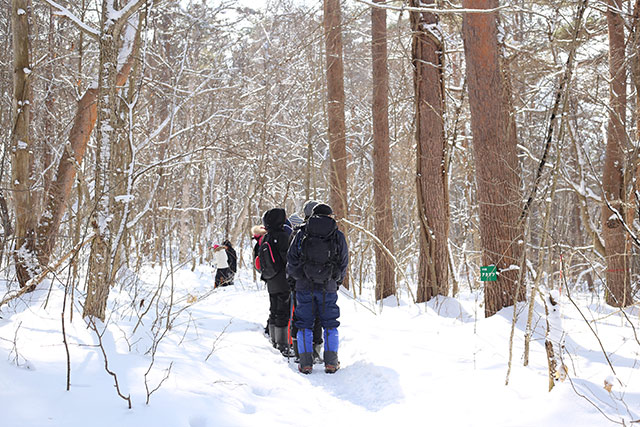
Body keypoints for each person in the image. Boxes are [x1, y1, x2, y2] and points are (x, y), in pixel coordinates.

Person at [287, 203, 348, 374]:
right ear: (330, 216)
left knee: (304, 324)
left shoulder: (301, 233)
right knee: (330, 323)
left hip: (304, 285)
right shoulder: (337, 235)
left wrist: (297, 278)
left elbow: (291, 260)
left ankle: (306, 363)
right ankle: (331, 362)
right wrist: (336, 282)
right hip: (328, 286)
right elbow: (343, 262)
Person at [254, 208, 294, 357]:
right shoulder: (283, 236)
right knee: (283, 312)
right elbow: (287, 258)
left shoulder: (265, 237)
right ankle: (282, 345)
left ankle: (274, 340)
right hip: (283, 278)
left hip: (270, 278)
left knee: (274, 310)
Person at [289, 200, 325, 365]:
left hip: (301, 283)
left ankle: (300, 352)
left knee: (300, 317)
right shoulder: (327, 231)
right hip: (322, 283)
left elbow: (291, 259)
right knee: (317, 317)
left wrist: (293, 278)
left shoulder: (299, 232)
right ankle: (316, 352)